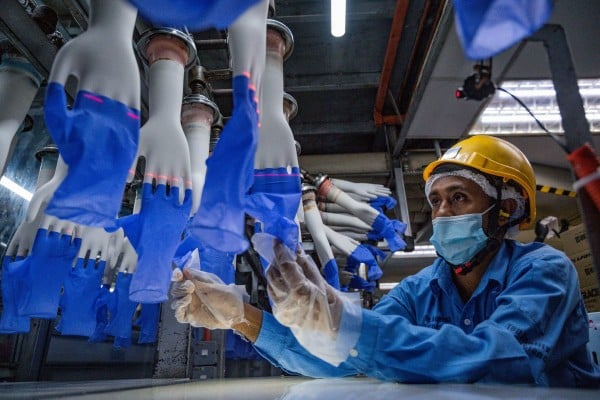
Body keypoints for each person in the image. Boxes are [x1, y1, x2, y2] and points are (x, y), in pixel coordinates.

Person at [170, 135, 600, 387]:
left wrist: (346, 323)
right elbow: (336, 359)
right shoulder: (421, 289)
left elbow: (497, 358)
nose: (443, 212)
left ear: (505, 209)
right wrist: (241, 317)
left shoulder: (545, 271)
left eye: (459, 198)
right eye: (436, 201)